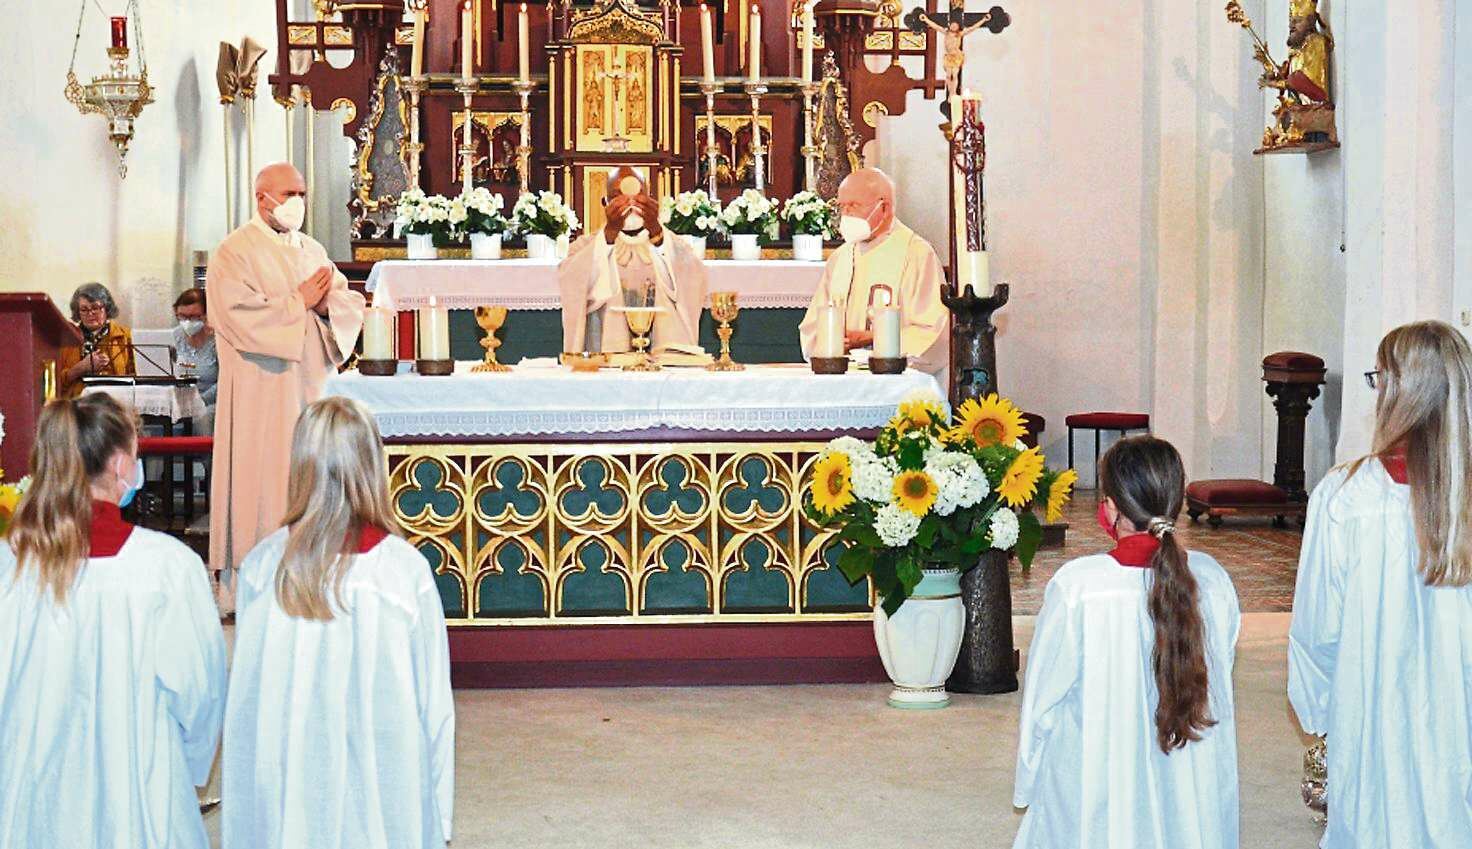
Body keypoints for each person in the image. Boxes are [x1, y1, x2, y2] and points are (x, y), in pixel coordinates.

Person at [223, 396, 454, 849]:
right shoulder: (402, 572)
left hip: (287, 790)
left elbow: (246, 707)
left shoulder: (262, 566)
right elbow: (434, 707)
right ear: (371, 466)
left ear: (300, 467)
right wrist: (437, 821)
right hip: (384, 796)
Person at [0, 393, 226, 848]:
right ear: (121, 463)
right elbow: (202, 691)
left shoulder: (10, 563)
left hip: (31, 787)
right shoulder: (167, 566)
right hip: (137, 783)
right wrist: (185, 764)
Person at [1289, 320, 1472, 847]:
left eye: (1380, 378)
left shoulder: (1347, 496)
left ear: (1401, 390)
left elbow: (1319, 623)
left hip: (1370, 700)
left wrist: (1317, 704)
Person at [1012, 436, 1241, 849]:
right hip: (1189, 769)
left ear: (1112, 508)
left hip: (1099, 780)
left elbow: (1043, 700)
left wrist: (1029, 779)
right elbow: (1221, 673)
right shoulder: (1213, 581)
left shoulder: (1079, 587)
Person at [208, 161, 365, 614]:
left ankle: (311, 573)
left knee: (308, 474)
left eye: (302, 192)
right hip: (260, 387)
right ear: (262, 198)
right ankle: (250, 583)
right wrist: (299, 302)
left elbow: (346, 300)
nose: (298, 201)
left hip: (310, 386)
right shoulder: (233, 252)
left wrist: (321, 307)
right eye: (290, 192)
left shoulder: (312, 249)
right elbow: (235, 315)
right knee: (261, 478)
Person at [797, 168, 949, 375]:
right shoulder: (840, 257)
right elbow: (812, 327)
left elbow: (933, 331)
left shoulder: (916, 254)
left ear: (884, 208)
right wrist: (831, 341)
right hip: (843, 377)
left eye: (854, 205)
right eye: (842, 206)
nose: (846, 214)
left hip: (896, 381)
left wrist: (874, 337)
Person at [558, 166, 707, 354]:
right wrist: (609, 235)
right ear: (605, 203)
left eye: (638, 195)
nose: (629, 202)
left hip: (663, 361)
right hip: (606, 355)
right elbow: (574, 285)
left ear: (651, 199)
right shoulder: (584, 247)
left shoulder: (674, 245)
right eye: (617, 196)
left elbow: (692, 280)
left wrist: (657, 233)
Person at [58, 281, 137, 397]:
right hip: (77, 404)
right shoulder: (68, 338)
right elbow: (53, 383)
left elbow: (137, 378)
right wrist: (79, 368)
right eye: (84, 310)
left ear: (107, 308)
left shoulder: (126, 336)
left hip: (115, 402)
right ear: (78, 312)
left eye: (95, 308)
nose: (90, 314)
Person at [173, 287, 218, 410]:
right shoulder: (175, 336)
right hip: (179, 403)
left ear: (206, 315)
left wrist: (198, 402)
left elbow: (225, 382)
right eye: (182, 316)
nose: (187, 322)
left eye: (193, 317)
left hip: (209, 404)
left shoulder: (218, 341)